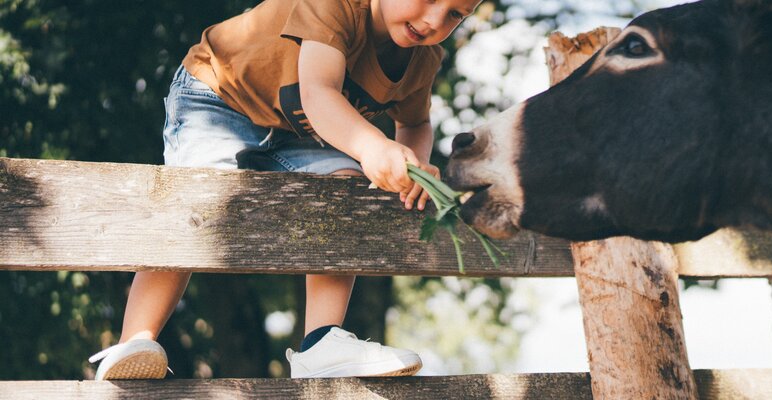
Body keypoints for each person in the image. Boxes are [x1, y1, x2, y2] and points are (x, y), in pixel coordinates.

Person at [86, 0, 482, 380]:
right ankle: (135, 340)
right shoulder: (336, 5)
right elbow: (319, 93)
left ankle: (321, 342)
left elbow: (416, 122)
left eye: (455, 15)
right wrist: (374, 147)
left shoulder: (422, 61)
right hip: (222, 95)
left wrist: (408, 168)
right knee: (199, 199)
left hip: (299, 132)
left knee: (345, 190)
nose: (434, 21)